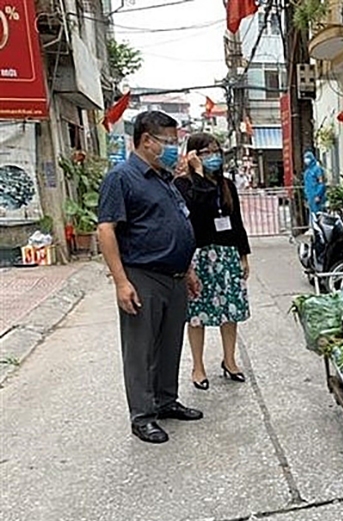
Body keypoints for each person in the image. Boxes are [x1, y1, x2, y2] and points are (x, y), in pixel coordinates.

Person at [97, 111, 203, 444]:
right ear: (147, 141)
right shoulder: (122, 178)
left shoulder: (163, 177)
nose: (175, 149)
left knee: (170, 344)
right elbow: (106, 229)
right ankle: (142, 415)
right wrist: (121, 281)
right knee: (141, 349)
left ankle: (165, 400)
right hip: (143, 275)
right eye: (169, 142)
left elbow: (177, 223)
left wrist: (187, 270)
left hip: (173, 277)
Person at [174, 133, 251, 391]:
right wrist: (196, 173)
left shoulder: (227, 185)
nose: (214, 156)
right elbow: (195, 209)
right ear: (194, 154)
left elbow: (237, 223)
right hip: (199, 256)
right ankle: (198, 366)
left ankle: (230, 360)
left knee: (230, 312)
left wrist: (243, 256)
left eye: (216, 151)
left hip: (227, 254)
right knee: (197, 314)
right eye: (207, 152)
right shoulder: (184, 185)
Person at [303, 151, 326, 216]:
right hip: (310, 196)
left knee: (318, 214)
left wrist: (318, 195)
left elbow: (321, 183)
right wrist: (306, 197)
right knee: (312, 215)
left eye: (308, 158)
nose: (306, 160)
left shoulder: (317, 169)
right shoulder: (307, 171)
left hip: (316, 196)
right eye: (305, 158)